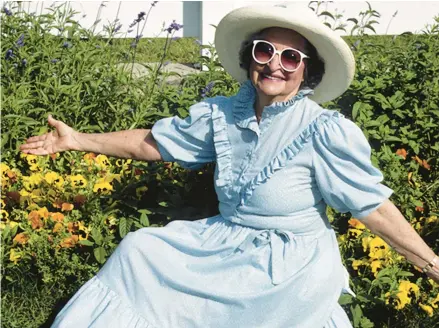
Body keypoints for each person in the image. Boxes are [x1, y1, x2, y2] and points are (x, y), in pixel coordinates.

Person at [20, 4, 438, 328]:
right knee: (140, 250)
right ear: (249, 56)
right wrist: (77, 140)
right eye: (265, 50)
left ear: (307, 70)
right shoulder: (223, 114)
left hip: (289, 261)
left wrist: (431, 263)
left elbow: (373, 207)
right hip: (224, 240)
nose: (275, 64)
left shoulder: (323, 130)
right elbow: (153, 143)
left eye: (291, 57)